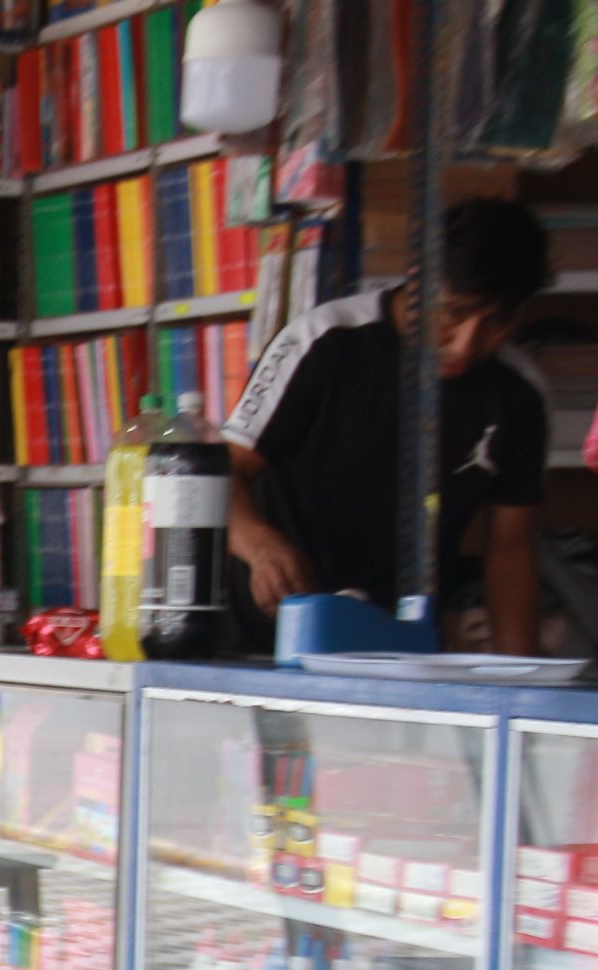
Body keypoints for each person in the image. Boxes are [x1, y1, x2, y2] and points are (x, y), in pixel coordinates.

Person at [223, 196, 550, 654]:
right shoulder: (325, 340)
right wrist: (259, 545)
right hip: (263, 636)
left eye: (495, 323)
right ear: (418, 281)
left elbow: (511, 550)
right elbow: (222, 471)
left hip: (399, 648)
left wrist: (522, 683)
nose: (466, 343)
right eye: (453, 312)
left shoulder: (520, 394)